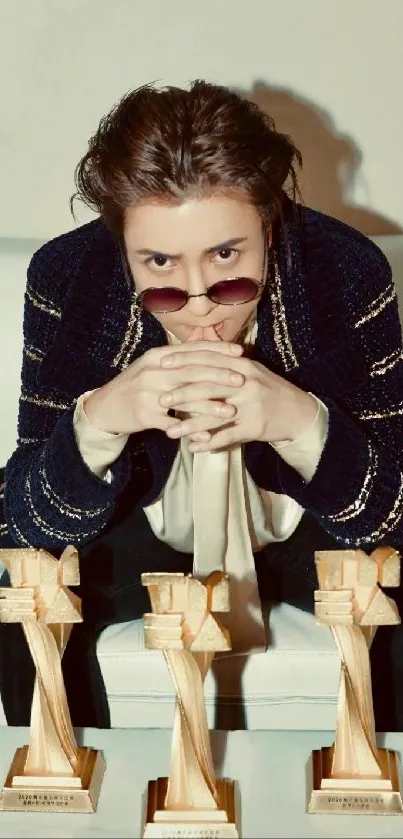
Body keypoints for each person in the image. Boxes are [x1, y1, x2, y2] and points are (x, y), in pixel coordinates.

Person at [1, 80, 403, 731]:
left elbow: (394, 509)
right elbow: (17, 522)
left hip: (300, 527)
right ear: (119, 245)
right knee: (22, 591)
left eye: (226, 255)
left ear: (269, 223)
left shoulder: (346, 271)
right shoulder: (68, 278)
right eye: (158, 262)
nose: (199, 302)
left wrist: (302, 423)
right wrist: (96, 424)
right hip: (138, 523)